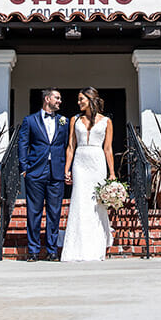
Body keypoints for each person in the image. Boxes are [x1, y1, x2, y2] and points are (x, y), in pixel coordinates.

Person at [61, 87, 115, 262]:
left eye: (81, 99)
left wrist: (112, 173)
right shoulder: (74, 120)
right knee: (79, 201)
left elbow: (108, 149)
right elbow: (71, 146)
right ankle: (76, 248)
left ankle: (96, 245)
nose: (78, 103)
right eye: (78, 99)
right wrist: (67, 169)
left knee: (96, 204)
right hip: (80, 163)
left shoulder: (106, 121)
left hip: (97, 162)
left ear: (91, 99)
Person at [17, 87, 69, 261]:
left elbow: (68, 146)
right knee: (34, 211)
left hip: (56, 171)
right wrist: (24, 168)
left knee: (54, 212)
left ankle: (52, 250)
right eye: (57, 98)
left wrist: (67, 169)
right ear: (47, 99)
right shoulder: (30, 120)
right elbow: (23, 144)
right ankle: (33, 250)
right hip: (35, 171)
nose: (60, 101)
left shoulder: (64, 121)